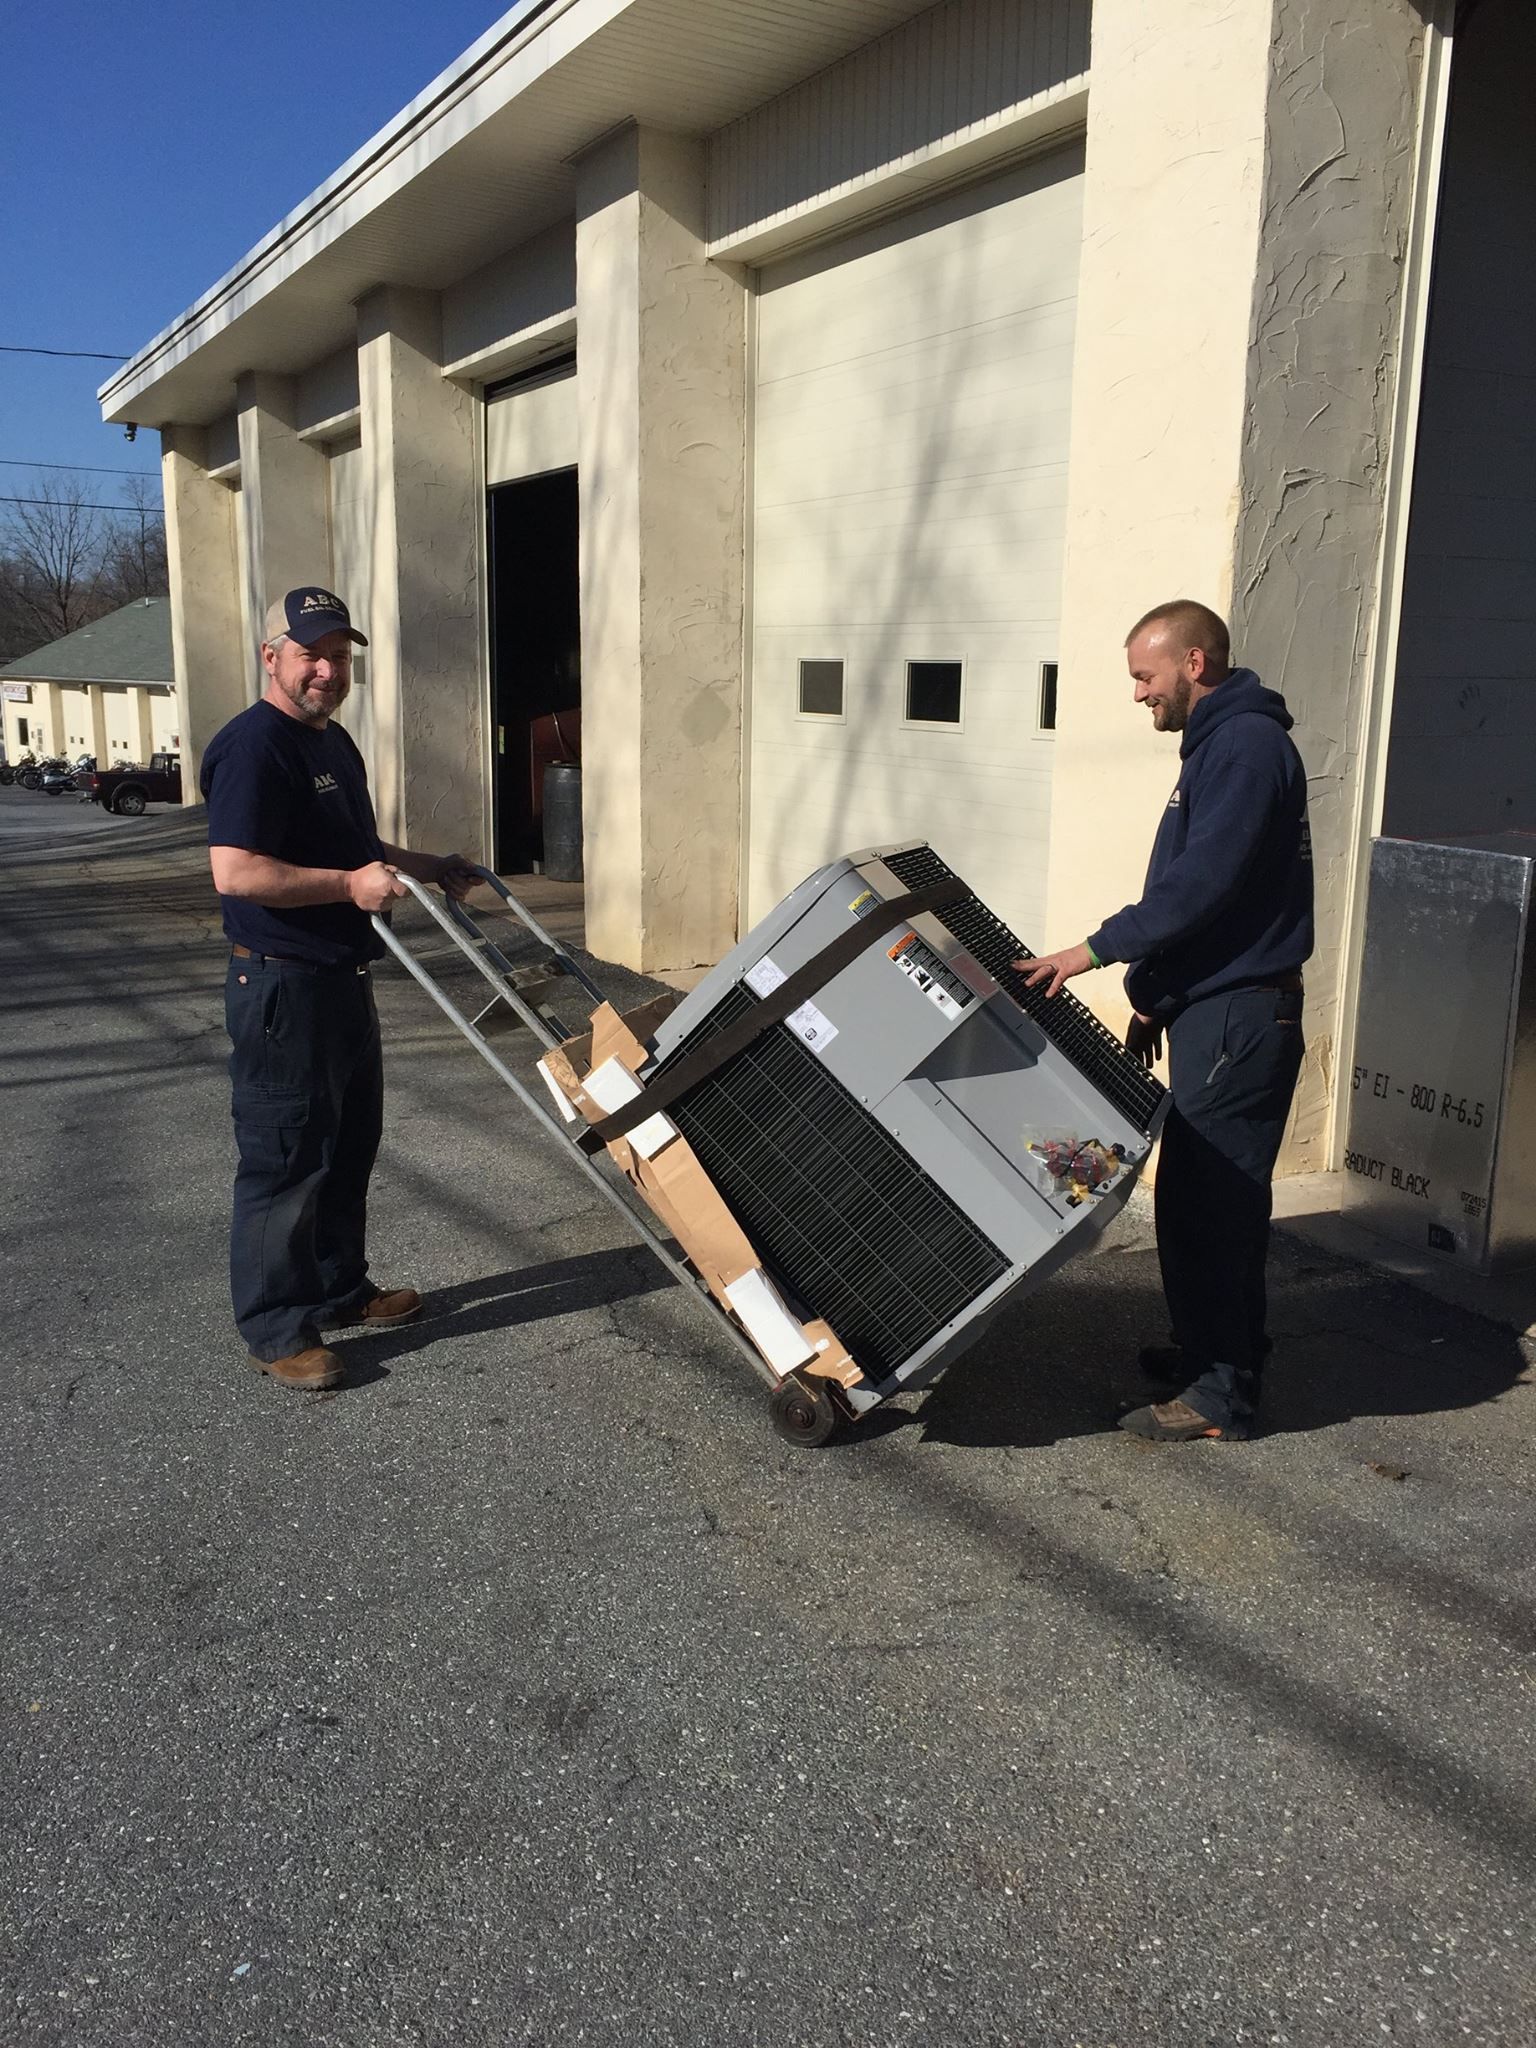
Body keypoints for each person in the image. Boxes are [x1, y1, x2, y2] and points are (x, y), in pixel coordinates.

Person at [1021, 599, 1312, 1441]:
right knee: (1196, 1198)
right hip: (1214, 1004)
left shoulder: (1247, 749)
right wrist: (1157, 991)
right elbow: (1213, 900)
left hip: (1240, 1015)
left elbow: (1203, 886)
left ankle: (1219, 1394)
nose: (1138, 694)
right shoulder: (1223, 745)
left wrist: (1096, 953)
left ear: (1194, 664)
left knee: (1212, 1204)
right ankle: (1207, 1352)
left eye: (1145, 677)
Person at [200, 586, 481, 1390]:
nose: (327, 670)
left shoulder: (333, 744)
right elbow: (239, 871)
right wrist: (347, 888)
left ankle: (338, 1287)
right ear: (271, 657)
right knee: (285, 1158)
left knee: (348, 1145)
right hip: (282, 987)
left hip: (340, 979)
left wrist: (429, 869)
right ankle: (277, 1329)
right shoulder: (255, 747)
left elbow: (360, 847)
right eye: (310, 654)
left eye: (339, 656)